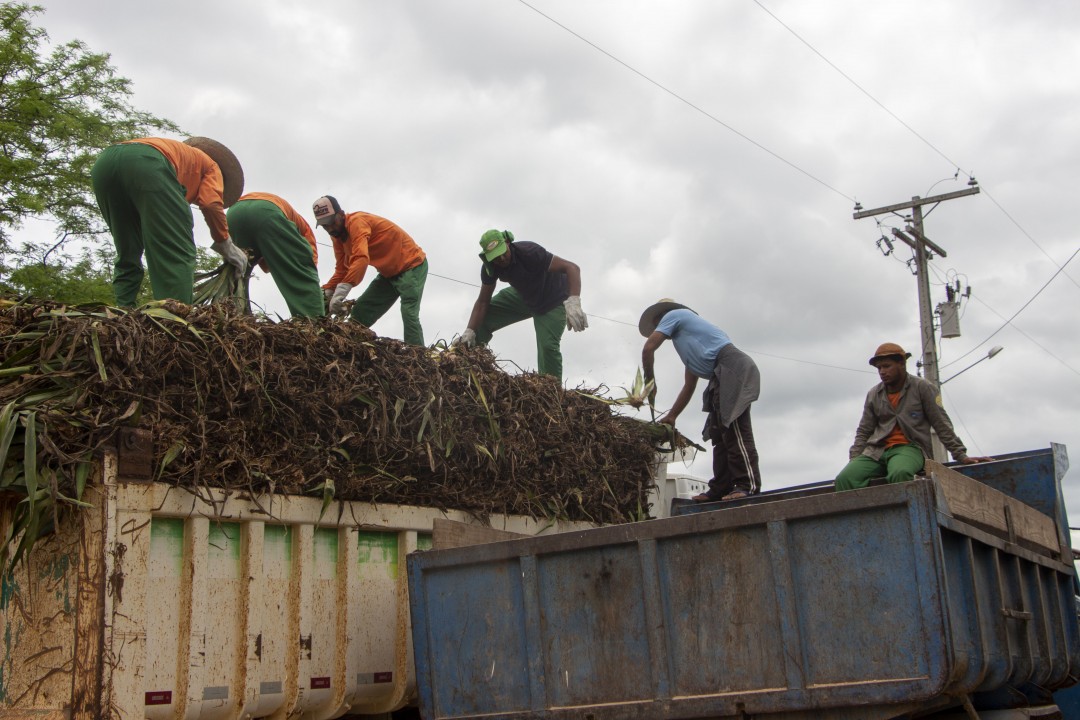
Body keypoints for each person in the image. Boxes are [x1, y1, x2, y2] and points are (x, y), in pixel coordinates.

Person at [91, 136, 249, 306]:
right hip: (150, 166)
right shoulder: (212, 166)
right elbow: (210, 203)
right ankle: (174, 316)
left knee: (127, 250)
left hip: (104, 165)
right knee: (176, 250)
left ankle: (123, 308)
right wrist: (226, 244)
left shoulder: (181, 156)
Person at [640, 299, 761, 502]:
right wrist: (672, 416)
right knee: (719, 435)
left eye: (657, 322)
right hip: (718, 375)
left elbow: (648, 349)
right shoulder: (690, 341)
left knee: (734, 430)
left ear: (664, 316)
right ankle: (721, 487)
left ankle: (747, 484)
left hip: (732, 367)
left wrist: (649, 382)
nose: (657, 327)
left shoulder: (675, 315)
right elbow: (689, 386)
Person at [834, 342, 992, 491]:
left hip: (909, 447)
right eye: (879, 368)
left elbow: (941, 423)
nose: (882, 372)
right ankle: (865, 518)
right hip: (876, 450)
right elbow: (864, 430)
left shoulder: (922, 387)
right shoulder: (874, 394)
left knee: (900, 473)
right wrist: (855, 458)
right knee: (845, 478)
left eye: (887, 366)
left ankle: (903, 517)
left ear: (902, 364)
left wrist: (960, 455)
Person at [455, 229, 587, 378]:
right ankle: (467, 364)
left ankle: (551, 391)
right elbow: (483, 301)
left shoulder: (529, 252)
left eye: (503, 253)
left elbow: (572, 268)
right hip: (524, 295)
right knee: (483, 318)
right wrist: (469, 330)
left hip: (553, 300)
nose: (502, 259)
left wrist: (574, 301)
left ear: (507, 243)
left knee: (548, 347)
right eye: (496, 258)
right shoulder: (491, 268)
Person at [312, 195, 428, 345]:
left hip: (412, 266)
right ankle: (346, 345)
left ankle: (417, 355)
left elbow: (361, 258)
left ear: (341, 215)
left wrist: (342, 291)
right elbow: (341, 269)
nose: (330, 229)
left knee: (408, 313)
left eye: (331, 223)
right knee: (360, 312)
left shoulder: (357, 223)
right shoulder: (337, 237)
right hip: (388, 274)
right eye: (324, 226)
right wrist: (328, 292)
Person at [226, 192, 324, 318]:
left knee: (237, 271)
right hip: (267, 211)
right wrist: (313, 285)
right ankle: (315, 324)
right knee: (299, 273)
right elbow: (306, 264)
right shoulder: (305, 230)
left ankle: (234, 317)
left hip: (234, 212)